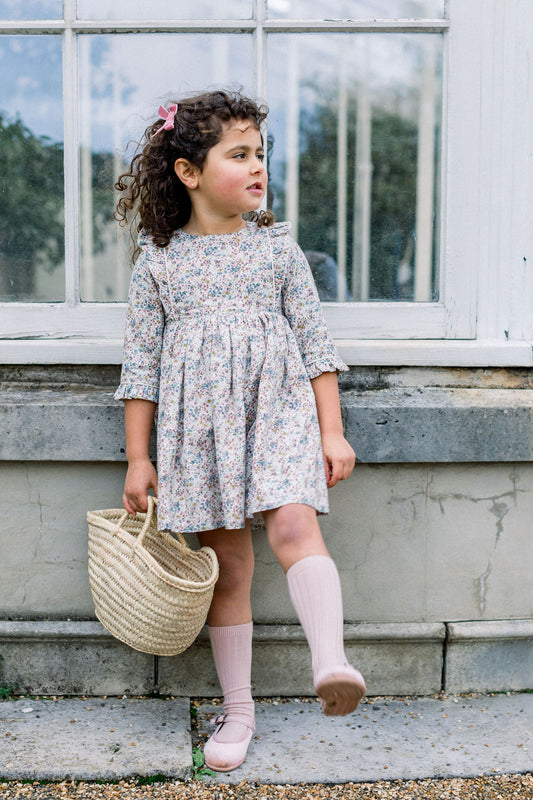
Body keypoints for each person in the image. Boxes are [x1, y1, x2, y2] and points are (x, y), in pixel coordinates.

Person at [114, 89, 366, 773]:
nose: (258, 167)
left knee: (292, 527)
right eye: (239, 155)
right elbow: (140, 369)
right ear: (189, 172)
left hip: (278, 414)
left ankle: (331, 662)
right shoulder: (159, 262)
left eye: (261, 155)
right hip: (199, 432)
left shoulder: (277, 251)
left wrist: (331, 431)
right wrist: (138, 459)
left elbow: (315, 346)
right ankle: (240, 710)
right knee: (228, 568)